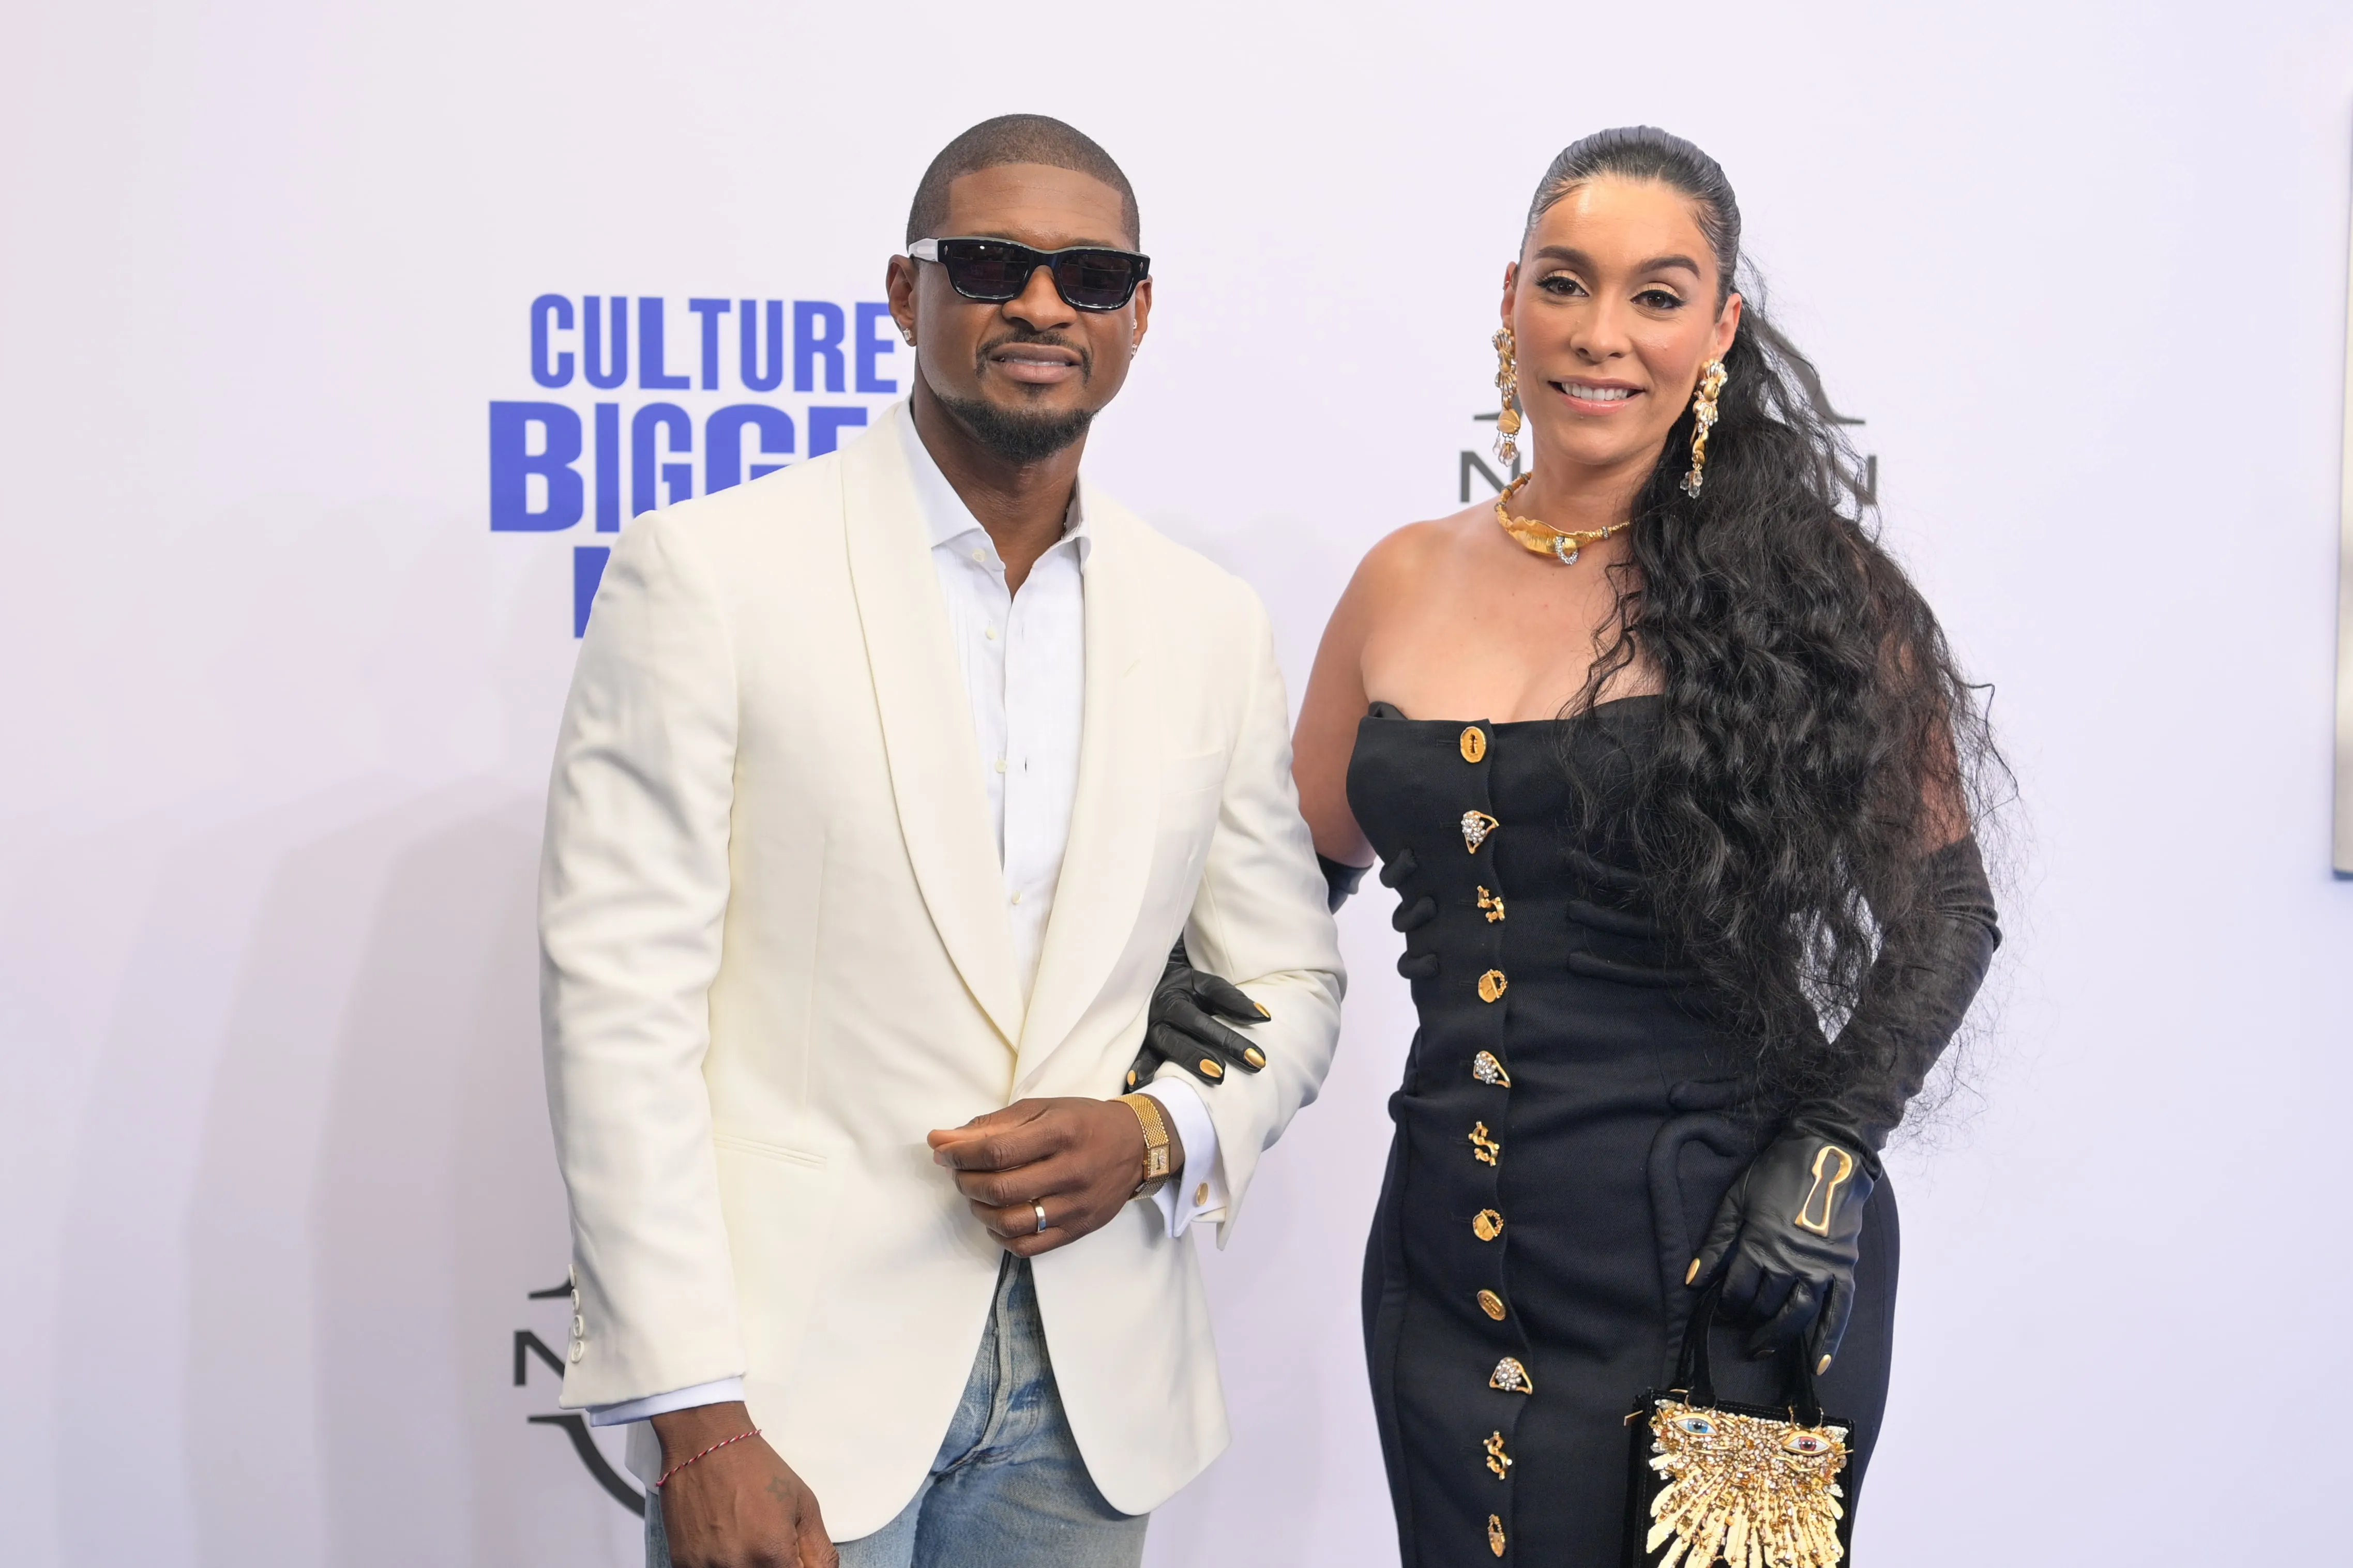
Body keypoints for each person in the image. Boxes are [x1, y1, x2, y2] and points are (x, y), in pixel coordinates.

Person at [538, 114, 1343, 1568]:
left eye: (1091, 277)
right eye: (990, 264)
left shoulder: (1208, 623)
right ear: (906, 293)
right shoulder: (711, 575)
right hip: (786, 1397)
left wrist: (1162, 1133)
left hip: (1094, 1405)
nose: (1042, 305)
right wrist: (697, 1418)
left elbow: (1292, 978)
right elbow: (618, 1016)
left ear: (1138, 316)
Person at [1290, 126, 2003, 1564]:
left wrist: (1826, 1155)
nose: (1599, 334)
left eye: (1656, 295)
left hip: (1744, 1275)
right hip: (1453, 1262)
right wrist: (1194, 1024)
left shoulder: (1817, 591)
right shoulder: (1399, 577)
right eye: (1564, 284)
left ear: (1719, 328)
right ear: (1510, 302)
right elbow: (1294, 869)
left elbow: (1948, 907)